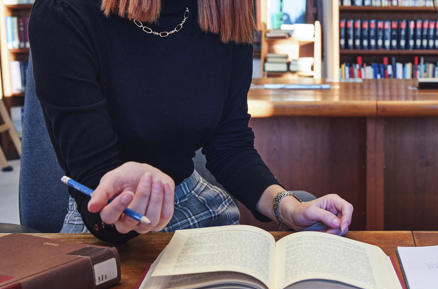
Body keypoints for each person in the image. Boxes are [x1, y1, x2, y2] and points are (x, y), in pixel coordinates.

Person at [29, 0, 352, 244]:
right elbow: (95, 194)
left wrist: (288, 207)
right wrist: (129, 195)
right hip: (110, 228)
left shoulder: (228, 11)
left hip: (199, 205)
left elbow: (231, 146)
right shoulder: (63, 12)